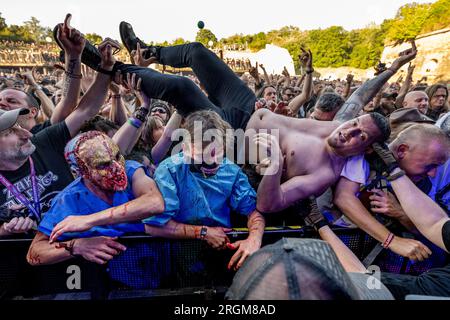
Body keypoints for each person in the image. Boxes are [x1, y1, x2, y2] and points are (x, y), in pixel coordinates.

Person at [0, 15, 118, 236]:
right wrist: (4, 230)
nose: (25, 133)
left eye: (20, 125)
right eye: (12, 131)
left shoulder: (42, 141)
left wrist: (104, 67)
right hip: (27, 263)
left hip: (85, 247)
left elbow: (83, 109)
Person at [27, 131, 164, 265]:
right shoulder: (70, 199)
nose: (117, 167)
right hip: (106, 277)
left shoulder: (131, 171)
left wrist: (89, 220)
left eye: (117, 156)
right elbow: (34, 252)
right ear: (80, 172)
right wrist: (76, 246)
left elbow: (155, 202)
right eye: (103, 165)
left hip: (156, 268)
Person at [334, 124, 449, 260]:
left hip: (379, 260)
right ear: (402, 151)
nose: (433, 174)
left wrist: (401, 213)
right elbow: (344, 198)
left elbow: (433, 231)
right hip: (340, 248)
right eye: (430, 165)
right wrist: (392, 240)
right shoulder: (366, 156)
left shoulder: (423, 183)